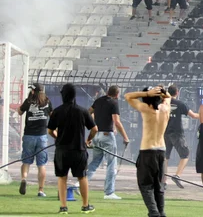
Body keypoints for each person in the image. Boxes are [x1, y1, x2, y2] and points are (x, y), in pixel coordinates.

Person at [47, 84, 97, 215]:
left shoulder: (57, 111)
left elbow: (50, 131)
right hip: (79, 149)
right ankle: (85, 206)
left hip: (62, 150)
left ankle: (63, 207)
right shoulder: (82, 111)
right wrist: (88, 140)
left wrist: (57, 137)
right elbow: (94, 129)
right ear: (74, 95)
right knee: (82, 177)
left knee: (62, 177)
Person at [124, 86, 171, 217]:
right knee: (159, 186)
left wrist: (147, 93)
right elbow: (169, 97)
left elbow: (127, 96)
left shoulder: (145, 109)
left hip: (147, 151)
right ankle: (161, 212)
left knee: (146, 185)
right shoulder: (165, 108)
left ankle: (154, 212)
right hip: (161, 151)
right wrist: (161, 91)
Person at [86, 85, 130, 200]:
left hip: (96, 134)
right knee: (111, 164)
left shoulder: (98, 100)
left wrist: (93, 125)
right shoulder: (114, 103)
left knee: (95, 162)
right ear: (117, 94)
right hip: (107, 136)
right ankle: (109, 192)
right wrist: (125, 137)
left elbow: (88, 113)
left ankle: (80, 185)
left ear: (107, 92)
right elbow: (117, 121)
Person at [18, 83, 53, 197]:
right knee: (41, 164)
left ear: (33, 91)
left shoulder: (28, 101)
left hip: (29, 135)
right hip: (42, 137)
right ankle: (41, 190)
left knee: (26, 161)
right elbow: (53, 116)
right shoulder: (47, 101)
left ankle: (24, 178)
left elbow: (19, 111)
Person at [163, 85, 198, 190]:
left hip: (165, 132)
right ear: (177, 93)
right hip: (177, 132)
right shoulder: (180, 104)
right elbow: (193, 115)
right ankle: (177, 175)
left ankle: (163, 181)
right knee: (185, 155)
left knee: (165, 157)